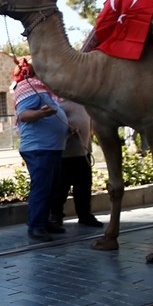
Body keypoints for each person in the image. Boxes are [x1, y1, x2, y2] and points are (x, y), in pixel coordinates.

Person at [13, 60, 69, 242]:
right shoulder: (29, 87)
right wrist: (42, 114)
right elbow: (23, 115)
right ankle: (36, 226)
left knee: (51, 188)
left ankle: (44, 222)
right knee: (42, 188)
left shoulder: (43, 89)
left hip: (50, 148)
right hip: (39, 148)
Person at [48, 96, 102, 230]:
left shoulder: (84, 102)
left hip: (83, 152)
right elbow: (55, 125)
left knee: (84, 187)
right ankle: (56, 216)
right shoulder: (58, 104)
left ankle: (85, 215)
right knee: (60, 189)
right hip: (65, 154)